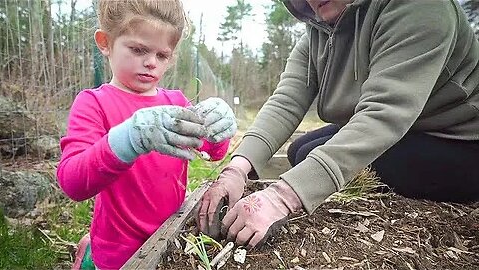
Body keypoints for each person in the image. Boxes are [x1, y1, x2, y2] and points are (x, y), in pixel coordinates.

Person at [197, 0, 479, 249]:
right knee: (301, 151)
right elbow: (286, 101)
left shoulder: (421, 8)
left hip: (459, 140)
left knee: (314, 163)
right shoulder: (319, 29)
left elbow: (384, 114)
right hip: (412, 128)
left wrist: (281, 197)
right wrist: (236, 169)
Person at [56, 0, 237, 268]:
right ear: (105, 42)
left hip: (171, 239)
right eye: (138, 49)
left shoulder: (175, 103)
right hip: (117, 251)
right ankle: (90, 250)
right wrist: (127, 139)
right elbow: (73, 182)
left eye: (162, 55)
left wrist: (218, 127)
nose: (151, 63)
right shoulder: (94, 103)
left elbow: (213, 152)